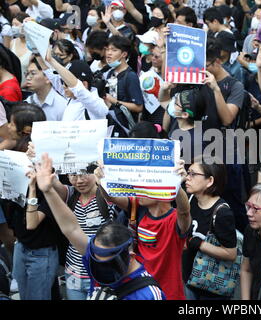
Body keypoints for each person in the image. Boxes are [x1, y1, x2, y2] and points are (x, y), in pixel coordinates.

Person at [33, 154, 165, 300]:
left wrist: (104, 179)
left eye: (85, 174)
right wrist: (47, 189)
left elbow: (111, 197)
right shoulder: (95, 259)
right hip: (73, 275)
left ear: (130, 257)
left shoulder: (147, 294)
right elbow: (71, 229)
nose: (79, 180)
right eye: (74, 175)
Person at [94, 160, 191, 300]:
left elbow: (185, 212)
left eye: (146, 186)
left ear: (162, 190)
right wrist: (101, 181)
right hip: (140, 290)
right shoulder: (137, 208)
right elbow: (111, 197)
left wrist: (176, 185)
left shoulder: (174, 219)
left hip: (168, 293)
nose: (139, 190)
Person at [2, 104, 62, 300]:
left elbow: (33, 221)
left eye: (11, 123)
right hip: (22, 243)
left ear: (25, 130)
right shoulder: (14, 155)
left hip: (41, 247)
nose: (8, 127)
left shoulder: (43, 164)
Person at [183, 159, 238, 300]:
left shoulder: (222, 212)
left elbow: (231, 253)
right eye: (188, 172)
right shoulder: (189, 200)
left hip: (210, 286)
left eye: (193, 174)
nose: (187, 177)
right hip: (187, 277)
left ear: (210, 181)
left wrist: (198, 243)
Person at [104, 35, 144, 132]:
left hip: (125, 128)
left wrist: (115, 102)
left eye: (114, 50)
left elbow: (139, 107)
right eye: (107, 49)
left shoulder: (130, 76)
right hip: (110, 124)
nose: (108, 53)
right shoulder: (110, 73)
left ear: (124, 54)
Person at [24, 57, 67, 121]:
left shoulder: (62, 105)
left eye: (33, 73)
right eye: (27, 73)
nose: (28, 78)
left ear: (48, 77)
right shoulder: (27, 102)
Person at [9, 12, 32, 86]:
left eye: (16, 24)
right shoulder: (12, 43)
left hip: (29, 89)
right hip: (14, 87)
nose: (13, 27)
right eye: (12, 24)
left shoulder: (34, 46)